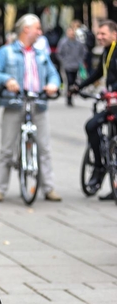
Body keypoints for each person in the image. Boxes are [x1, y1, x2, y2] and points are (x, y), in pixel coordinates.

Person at [0, 14, 62, 202]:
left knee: (44, 148)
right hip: (14, 103)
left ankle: (48, 188)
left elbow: (54, 76)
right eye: (37, 28)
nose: (40, 32)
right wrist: (7, 80)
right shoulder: (6, 52)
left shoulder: (41, 53)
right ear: (26, 29)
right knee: (7, 148)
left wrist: (53, 85)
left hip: (38, 103)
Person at [70, 19, 117, 201]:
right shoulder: (107, 51)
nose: (99, 37)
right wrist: (79, 86)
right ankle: (99, 167)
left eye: (103, 34)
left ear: (114, 34)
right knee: (91, 126)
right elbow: (98, 73)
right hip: (111, 103)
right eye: (98, 34)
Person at [56, 26, 87, 106]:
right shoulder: (63, 42)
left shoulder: (79, 43)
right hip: (67, 65)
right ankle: (69, 97)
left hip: (76, 65)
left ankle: (72, 93)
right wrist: (64, 61)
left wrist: (80, 61)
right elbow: (59, 53)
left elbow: (83, 52)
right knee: (69, 81)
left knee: (74, 81)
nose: (72, 34)